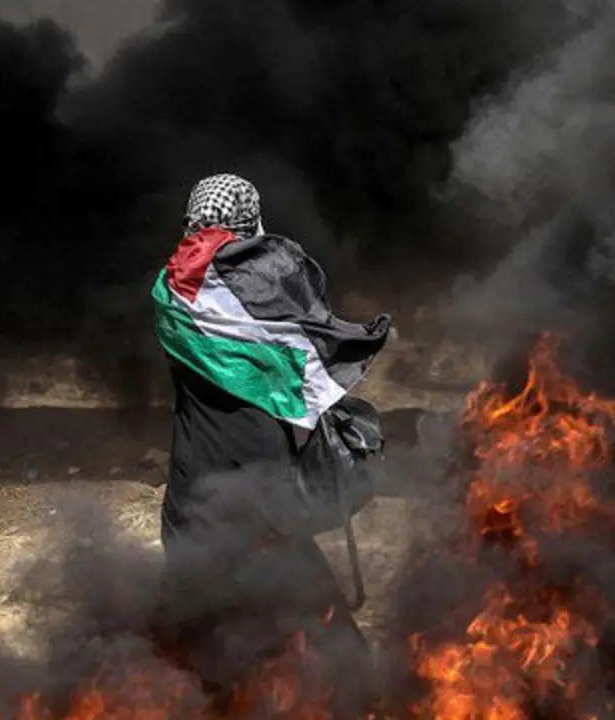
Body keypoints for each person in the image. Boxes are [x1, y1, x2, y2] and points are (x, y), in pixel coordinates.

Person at [149, 173, 392, 716]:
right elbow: (310, 348)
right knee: (319, 632)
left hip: (192, 491)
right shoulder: (271, 284)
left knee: (191, 635)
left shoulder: (172, 291)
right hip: (262, 490)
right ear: (250, 220)